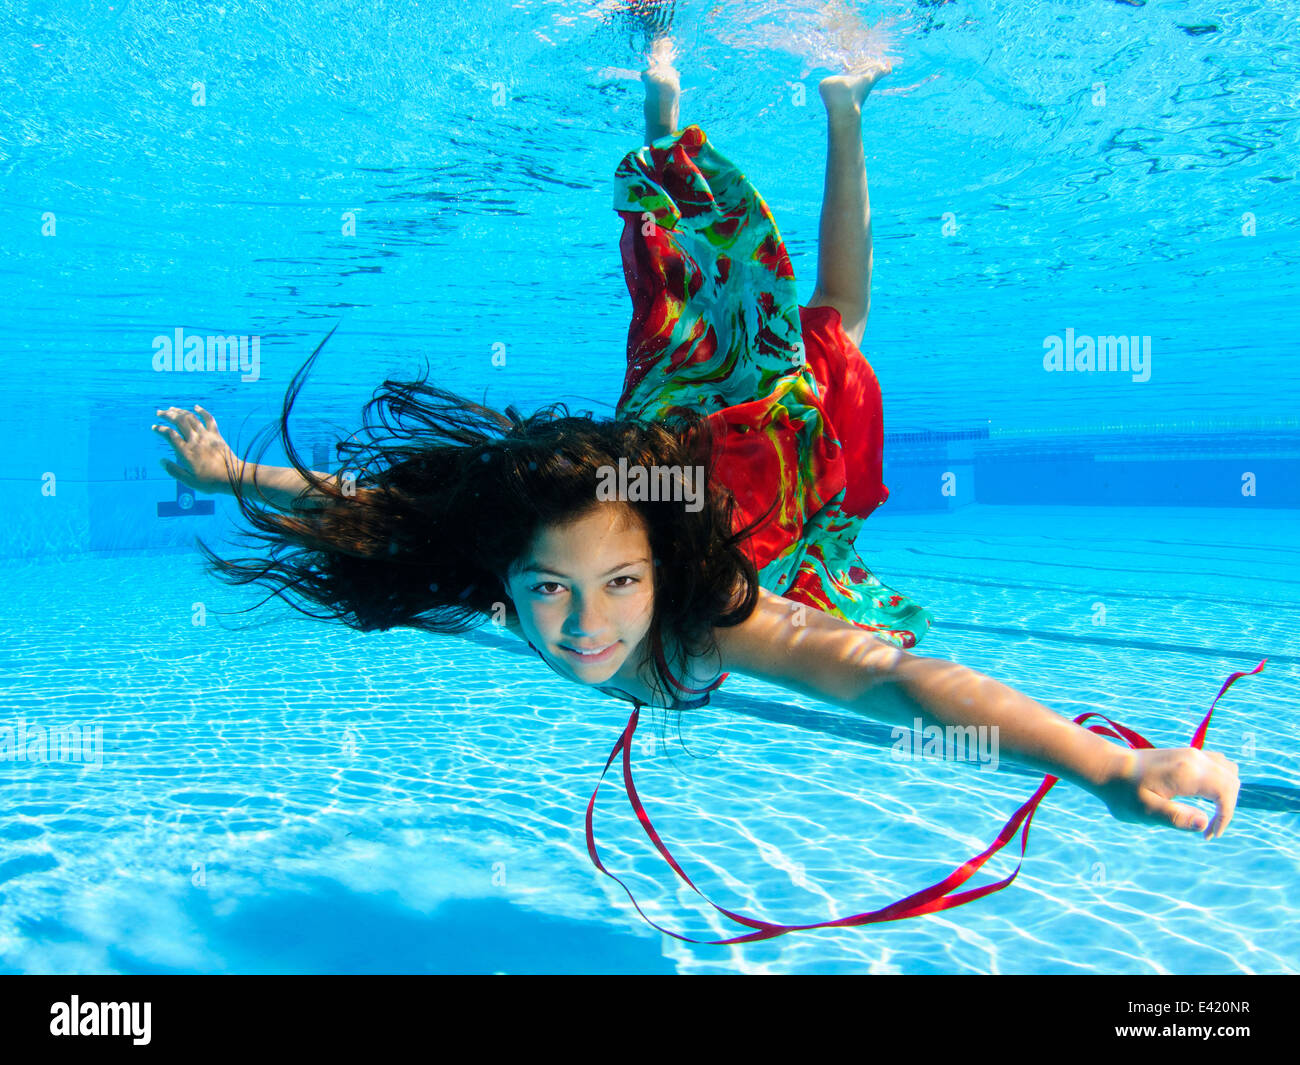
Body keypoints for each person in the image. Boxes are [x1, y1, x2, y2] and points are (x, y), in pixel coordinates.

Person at [151, 46, 1240, 844]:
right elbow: (367, 509)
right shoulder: (517, 549)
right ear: (512, 571)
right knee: (725, 305)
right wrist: (231, 474)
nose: (583, 626)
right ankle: (713, 97)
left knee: (815, 320)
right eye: (546, 589)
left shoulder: (714, 610)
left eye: (617, 583)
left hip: (730, 480)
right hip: (654, 462)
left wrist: (1103, 766)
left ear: (657, 571)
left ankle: (817, 101)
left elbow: (895, 684)